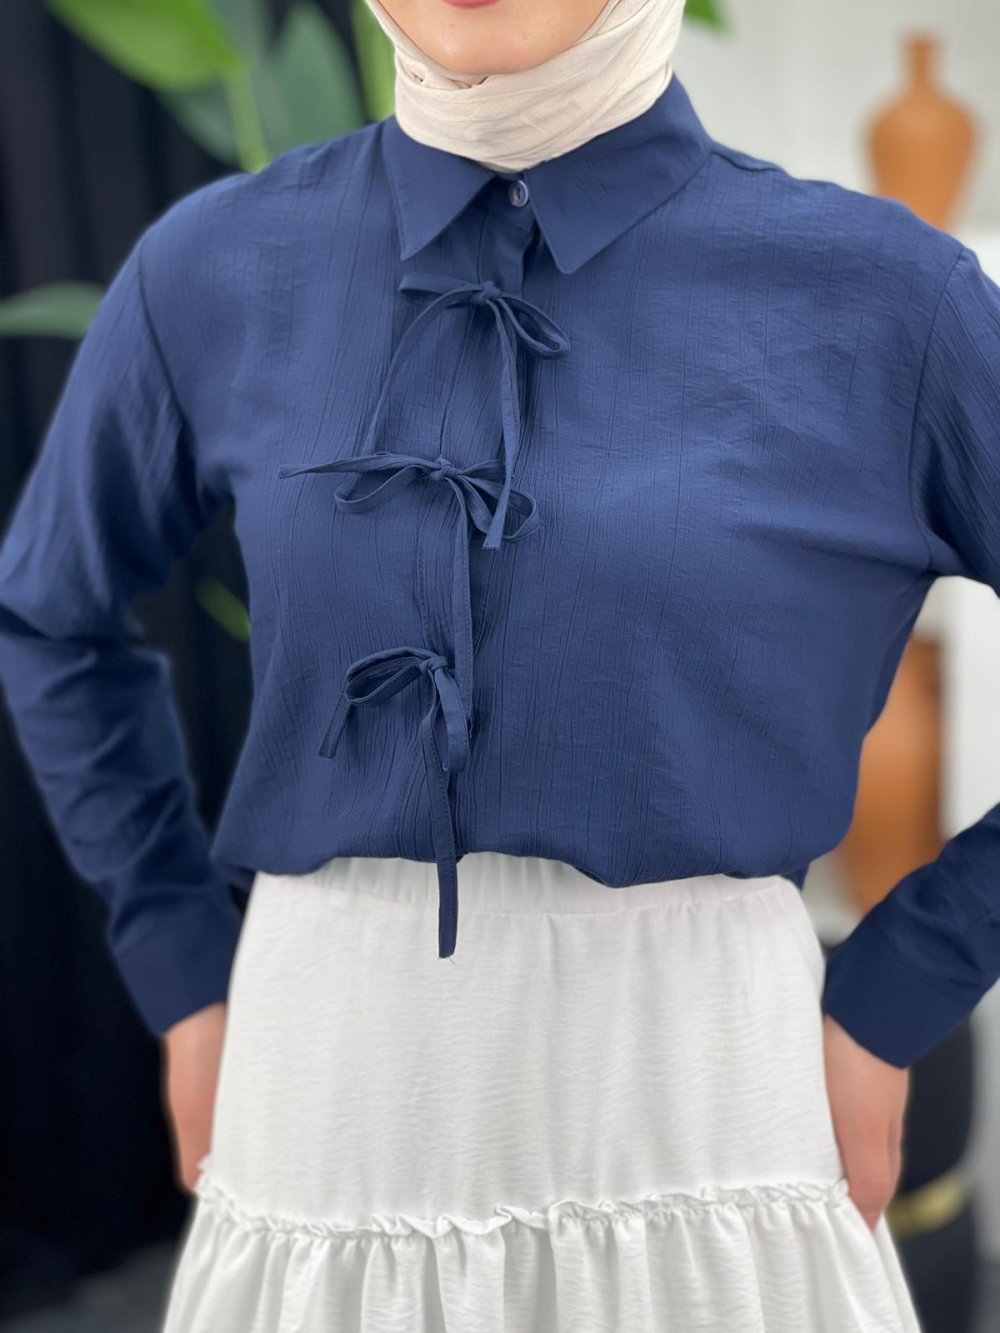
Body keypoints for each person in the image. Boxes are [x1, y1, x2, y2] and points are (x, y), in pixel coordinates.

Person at [1, 0, 999, 1327]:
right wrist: (181, 962)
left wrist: (904, 985)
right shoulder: (215, 264)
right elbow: (50, 614)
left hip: (715, 1112)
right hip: (324, 1112)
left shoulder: (888, 297)